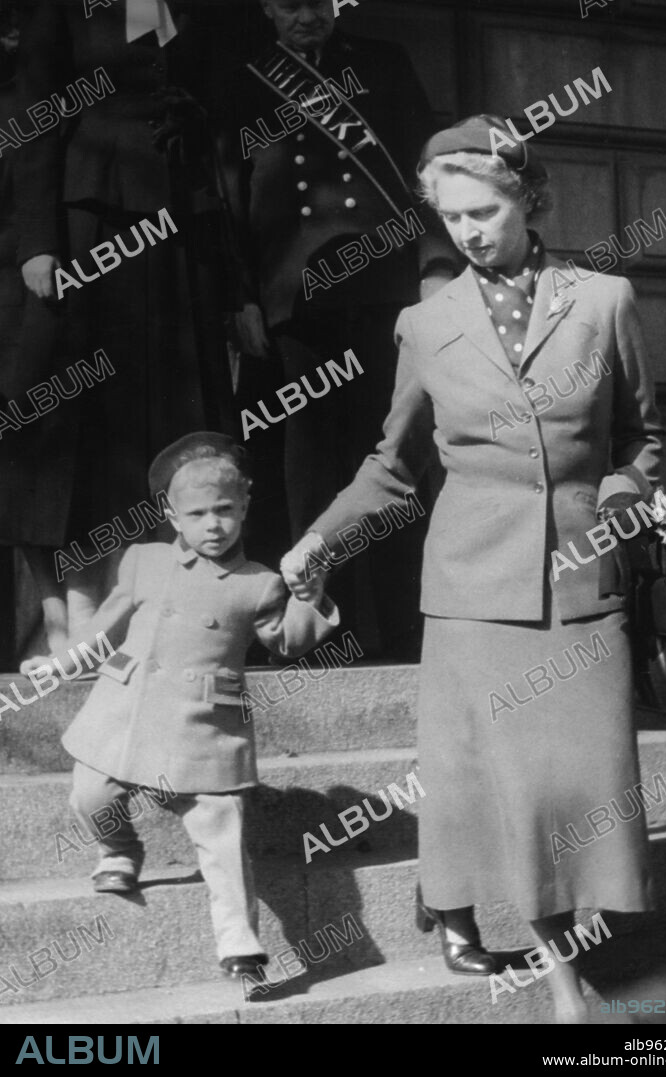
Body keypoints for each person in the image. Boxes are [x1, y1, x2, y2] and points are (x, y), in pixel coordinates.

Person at [280, 116, 665, 1022]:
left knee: (581, 790)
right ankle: (565, 989)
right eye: (452, 218)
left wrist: (621, 495)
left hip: (583, 578)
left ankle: (522, 924)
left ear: (530, 199)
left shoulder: (606, 299)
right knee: (519, 794)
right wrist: (317, 541)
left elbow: (641, 440)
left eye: (486, 210)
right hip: (472, 596)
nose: (470, 231)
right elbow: (393, 464)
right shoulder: (425, 322)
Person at [23, 432, 338, 978]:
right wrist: (60, 663)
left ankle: (239, 945)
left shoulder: (258, 583)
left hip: (202, 722)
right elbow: (104, 626)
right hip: (127, 706)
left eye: (224, 511)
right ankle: (120, 850)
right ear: (171, 515)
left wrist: (311, 596)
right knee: (91, 794)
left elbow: (286, 642)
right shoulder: (142, 561)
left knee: (220, 828)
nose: (212, 525)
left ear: (244, 507)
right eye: (197, 513)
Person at [225, 0, 459, 659]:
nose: (309, 17)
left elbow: (426, 172)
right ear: (268, 9)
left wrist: (435, 265)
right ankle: (328, 632)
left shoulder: (382, 65)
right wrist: (241, 297)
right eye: (293, 5)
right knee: (309, 464)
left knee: (393, 451)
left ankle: (405, 626)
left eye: (319, 4)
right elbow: (227, 192)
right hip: (295, 295)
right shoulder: (246, 78)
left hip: (381, 287)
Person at [14, 0, 240, 659]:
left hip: (181, 224)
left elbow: (225, 122)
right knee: (92, 414)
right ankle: (83, 610)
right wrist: (38, 241)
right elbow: (35, 115)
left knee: (175, 408)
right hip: (94, 222)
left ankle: (171, 605)